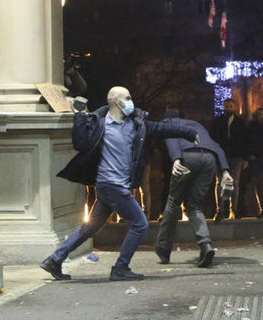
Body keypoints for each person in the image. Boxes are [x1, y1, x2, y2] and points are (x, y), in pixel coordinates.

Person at [39, 86, 199, 282]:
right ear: (116, 100)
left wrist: (189, 133)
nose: (131, 101)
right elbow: (79, 143)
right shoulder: (99, 124)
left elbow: (161, 128)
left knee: (90, 227)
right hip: (111, 184)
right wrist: (80, 115)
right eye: (127, 97)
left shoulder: (136, 125)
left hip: (112, 186)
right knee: (140, 224)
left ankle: (54, 260)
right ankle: (121, 267)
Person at [154, 109, 233, 268]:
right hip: (209, 159)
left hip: (187, 157)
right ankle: (206, 244)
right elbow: (215, 145)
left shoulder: (167, 124)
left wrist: (176, 159)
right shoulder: (196, 124)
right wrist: (225, 171)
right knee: (194, 205)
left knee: (173, 202)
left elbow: (170, 137)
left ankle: (163, 247)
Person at [210, 98, 247, 221]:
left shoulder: (240, 123)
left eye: (230, 106)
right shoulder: (218, 122)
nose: (229, 109)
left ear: (234, 107)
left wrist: (244, 158)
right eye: (227, 106)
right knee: (220, 183)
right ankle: (220, 211)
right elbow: (213, 139)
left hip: (236, 156)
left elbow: (244, 141)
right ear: (224, 107)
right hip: (221, 156)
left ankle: (234, 210)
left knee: (234, 183)